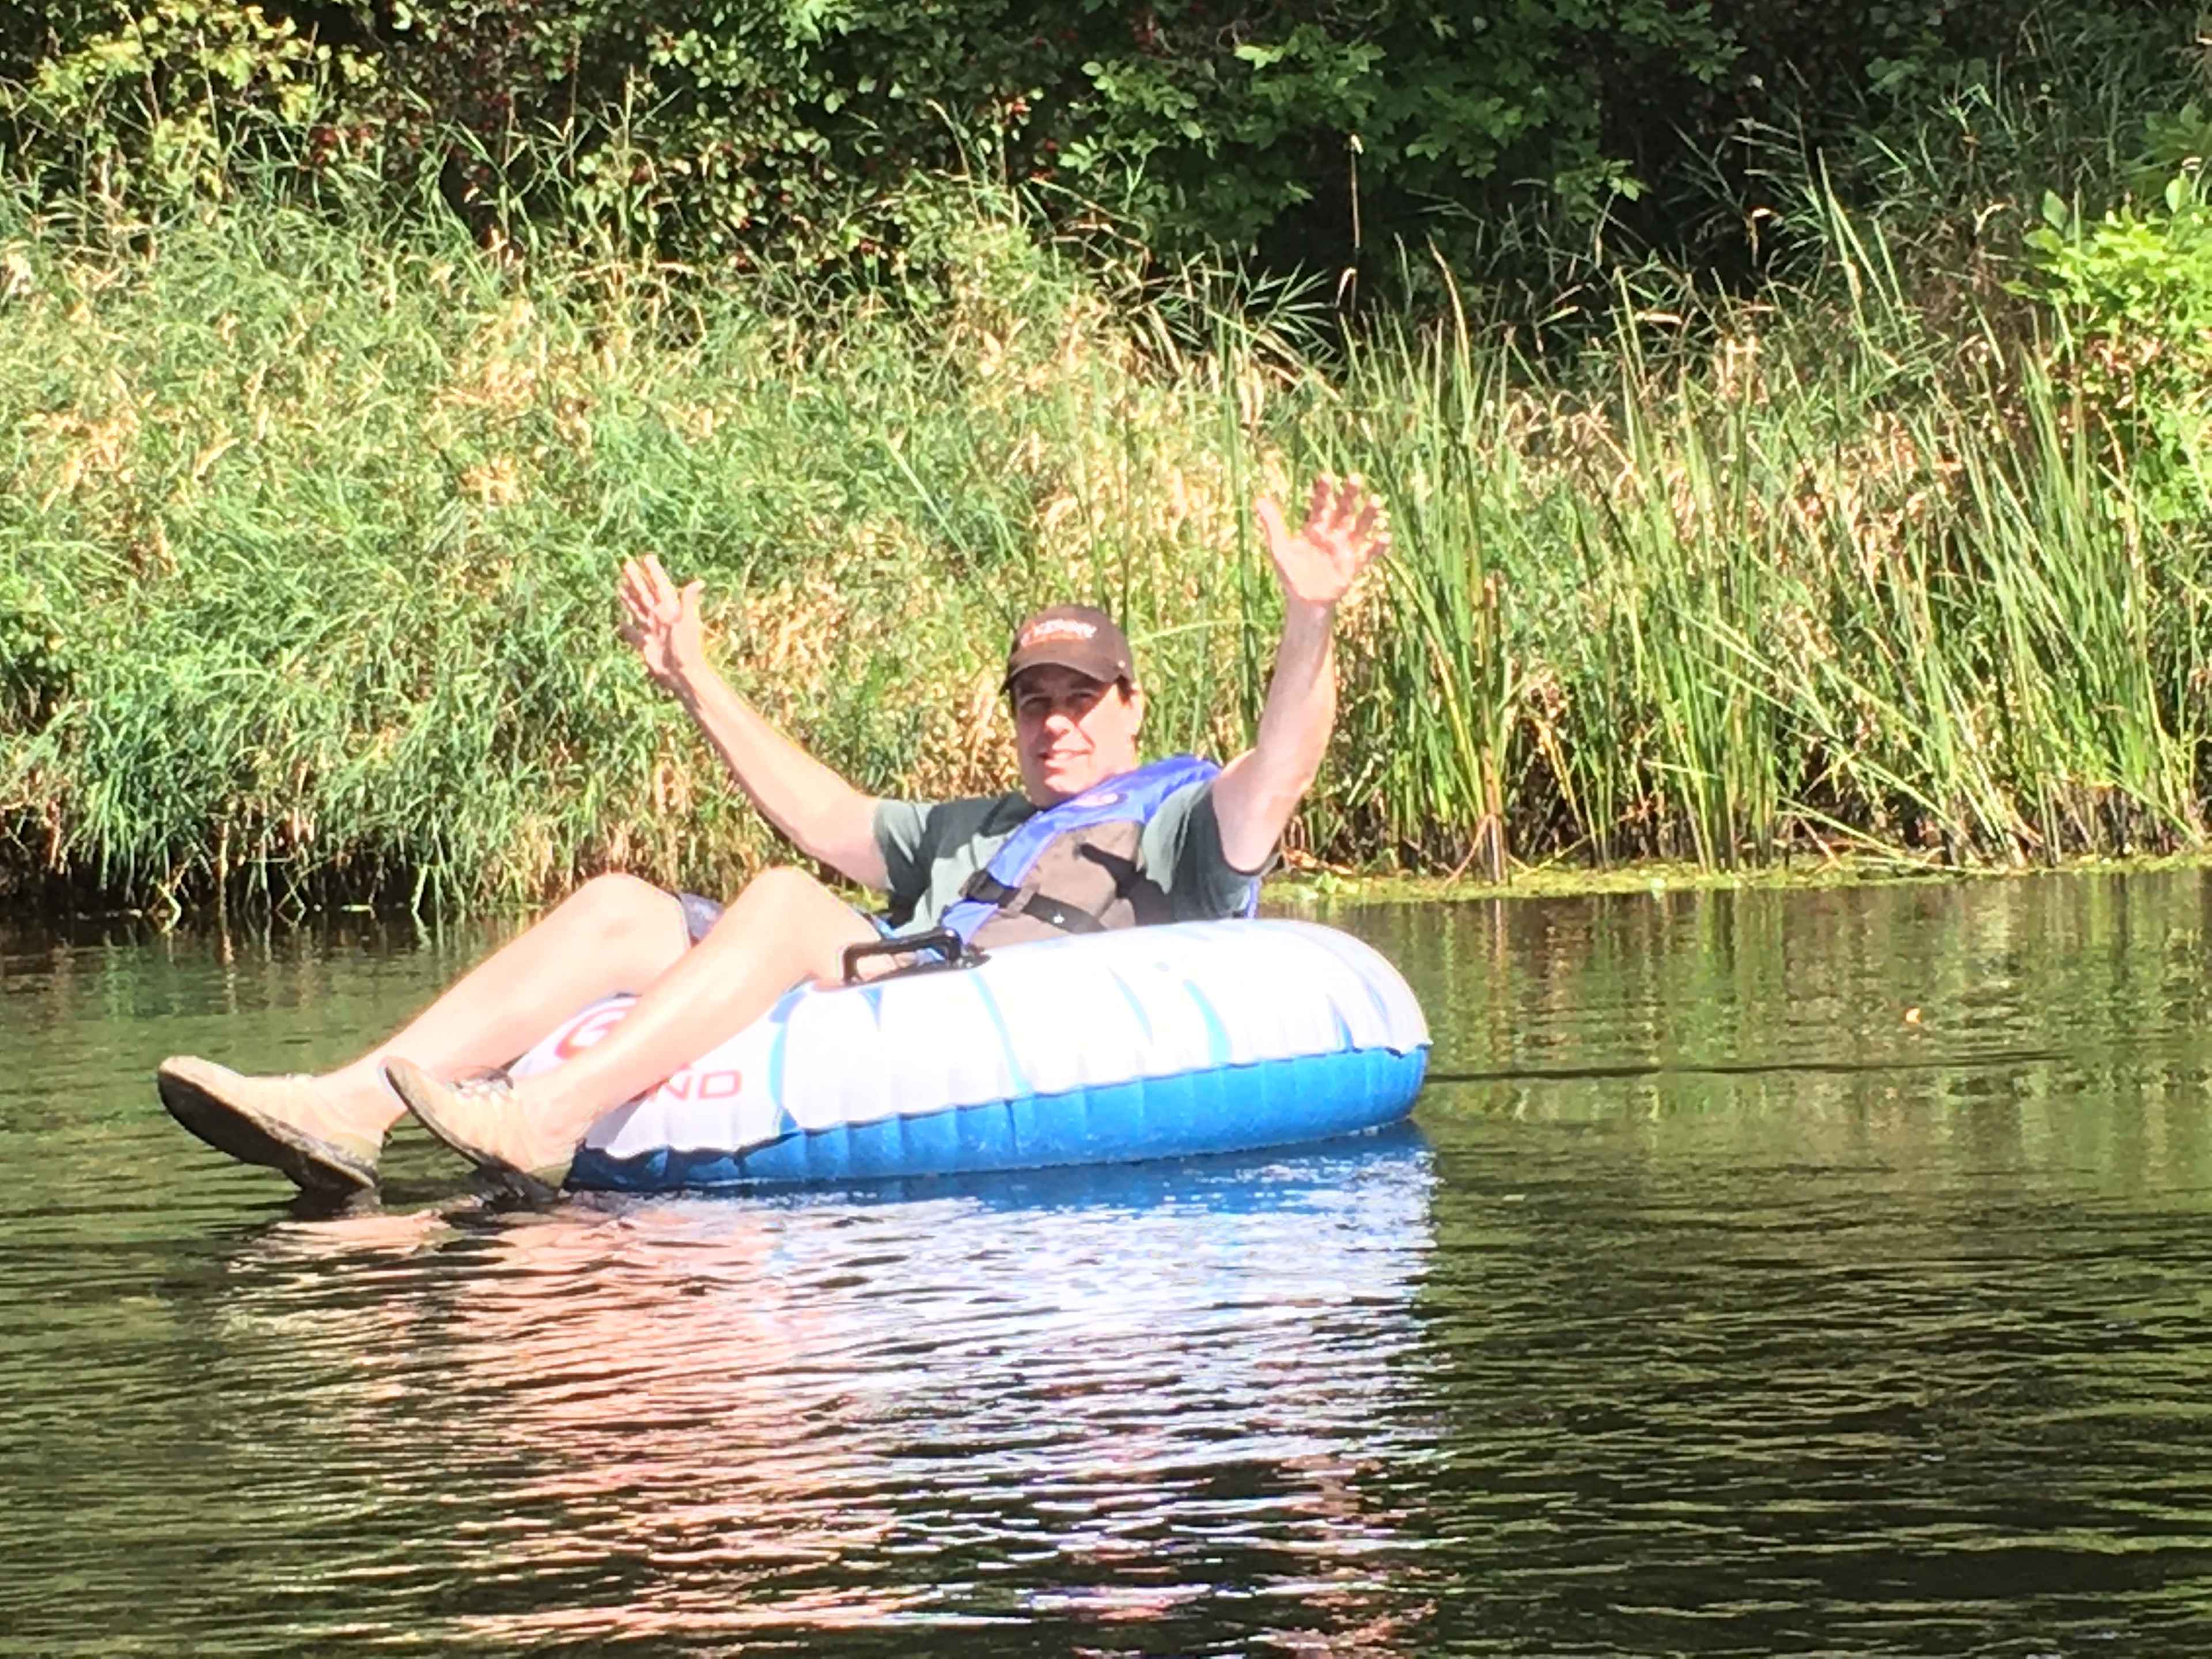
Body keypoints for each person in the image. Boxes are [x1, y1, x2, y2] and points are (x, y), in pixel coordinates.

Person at [157, 475, 1391, 1199]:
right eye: (1033, 702)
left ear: (1129, 707)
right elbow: (825, 817)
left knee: (790, 905)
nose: (1055, 723)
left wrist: (1310, 618)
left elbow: (1282, 765)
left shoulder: (1178, 823)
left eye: (1080, 699)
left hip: (978, 1008)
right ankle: (348, 1108)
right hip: (893, 982)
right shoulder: (983, 828)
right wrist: (694, 680)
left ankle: (547, 1116)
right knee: (623, 905)